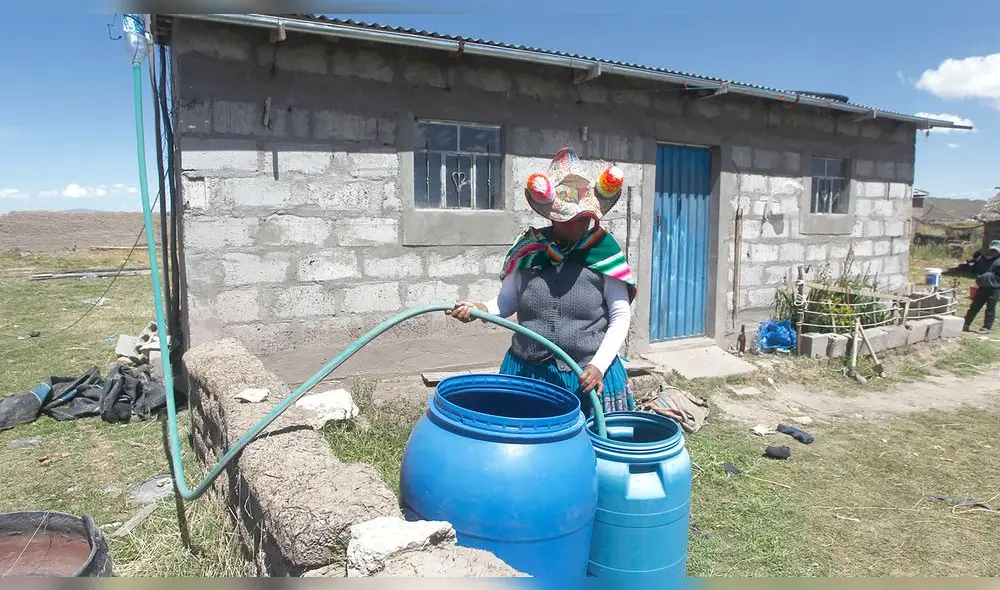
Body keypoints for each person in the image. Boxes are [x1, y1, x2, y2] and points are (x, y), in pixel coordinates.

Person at [446, 147, 638, 414]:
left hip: (586, 376)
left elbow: (620, 316)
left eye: (585, 219)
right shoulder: (529, 249)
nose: (580, 224)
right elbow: (507, 301)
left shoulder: (604, 252)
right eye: (571, 218)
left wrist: (599, 365)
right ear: (552, 216)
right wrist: (480, 309)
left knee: (591, 449)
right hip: (528, 373)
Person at [965, 240, 1000, 335]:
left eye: (996, 251)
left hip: (994, 289)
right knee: (974, 306)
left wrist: (989, 276)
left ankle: (987, 327)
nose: (993, 253)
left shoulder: (998, 262)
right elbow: (974, 268)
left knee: (990, 308)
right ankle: (966, 324)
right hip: (982, 287)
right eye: (992, 250)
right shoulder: (982, 259)